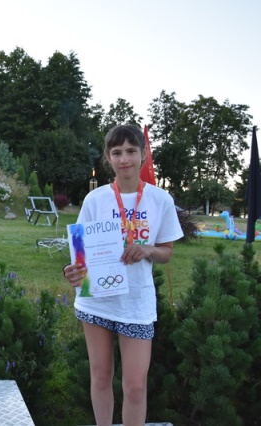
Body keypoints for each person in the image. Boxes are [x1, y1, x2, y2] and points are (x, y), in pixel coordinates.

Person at [63, 124, 183, 426]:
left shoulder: (160, 200)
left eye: (131, 151)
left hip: (136, 303)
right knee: (101, 375)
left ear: (143, 155)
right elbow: (81, 252)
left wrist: (148, 249)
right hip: (97, 301)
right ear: (108, 157)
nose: (124, 159)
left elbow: (167, 252)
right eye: (117, 152)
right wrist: (73, 271)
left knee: (135, 386)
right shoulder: (95, 200)